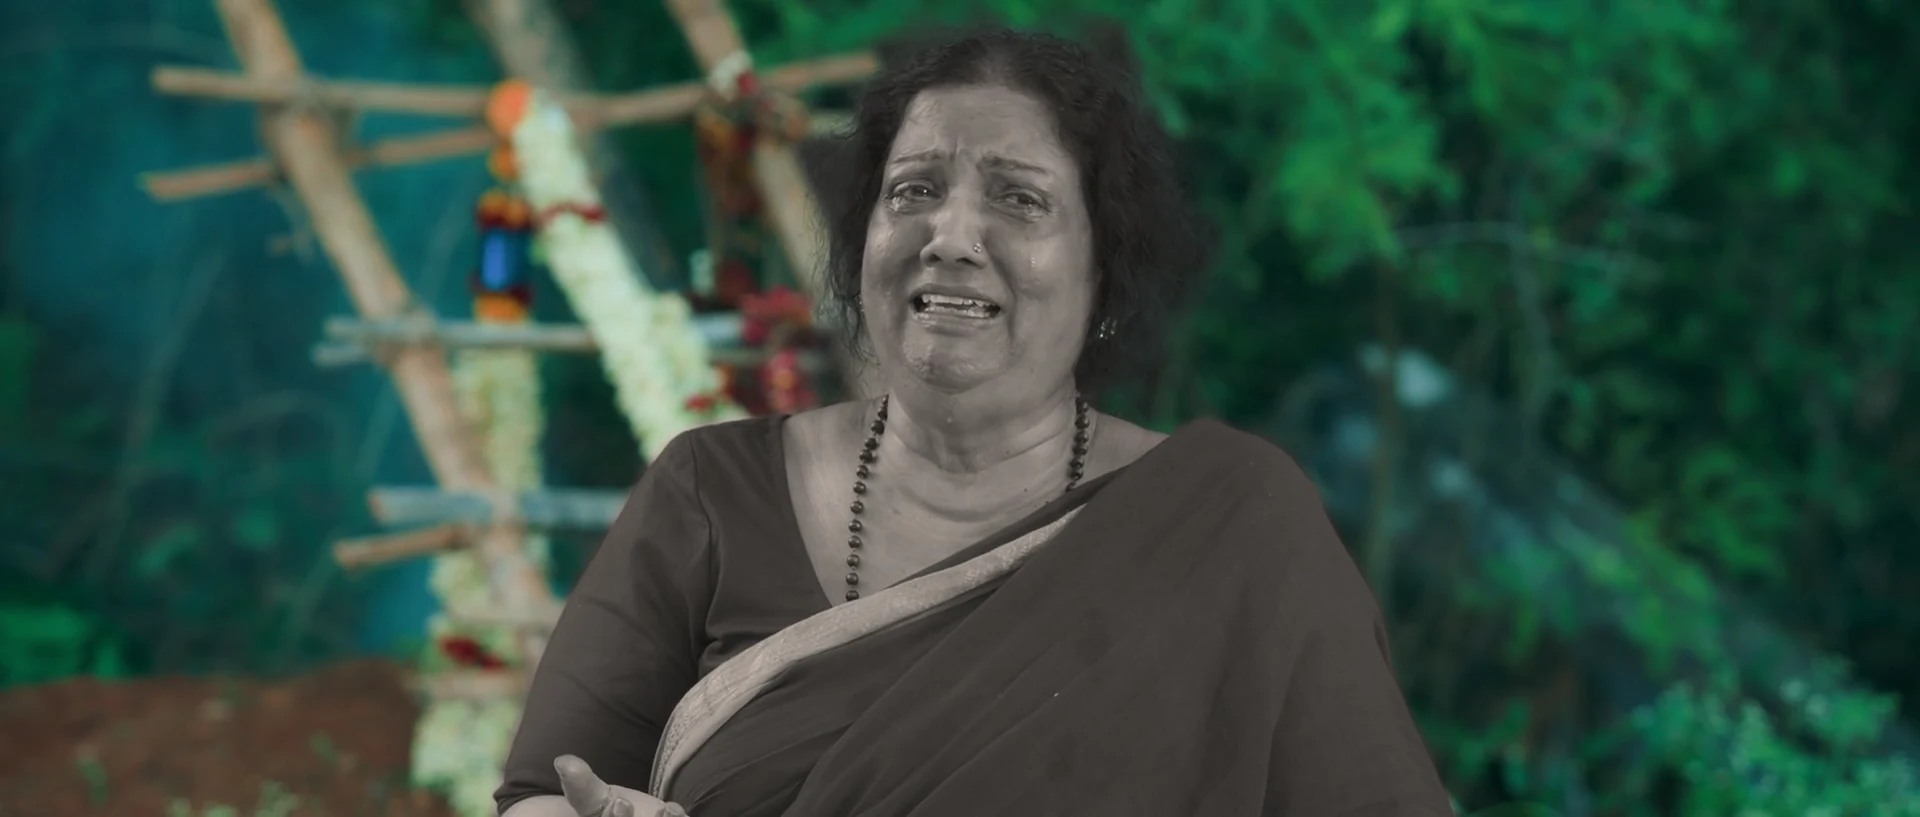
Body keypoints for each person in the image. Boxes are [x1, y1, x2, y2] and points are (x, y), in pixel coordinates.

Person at [495, 25, 1452, 817]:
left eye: (1019, 198)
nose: (949, 236)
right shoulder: (707, 493)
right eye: (914, 190)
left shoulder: (1232, 529)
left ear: (1104, 278)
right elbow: (544, 793)